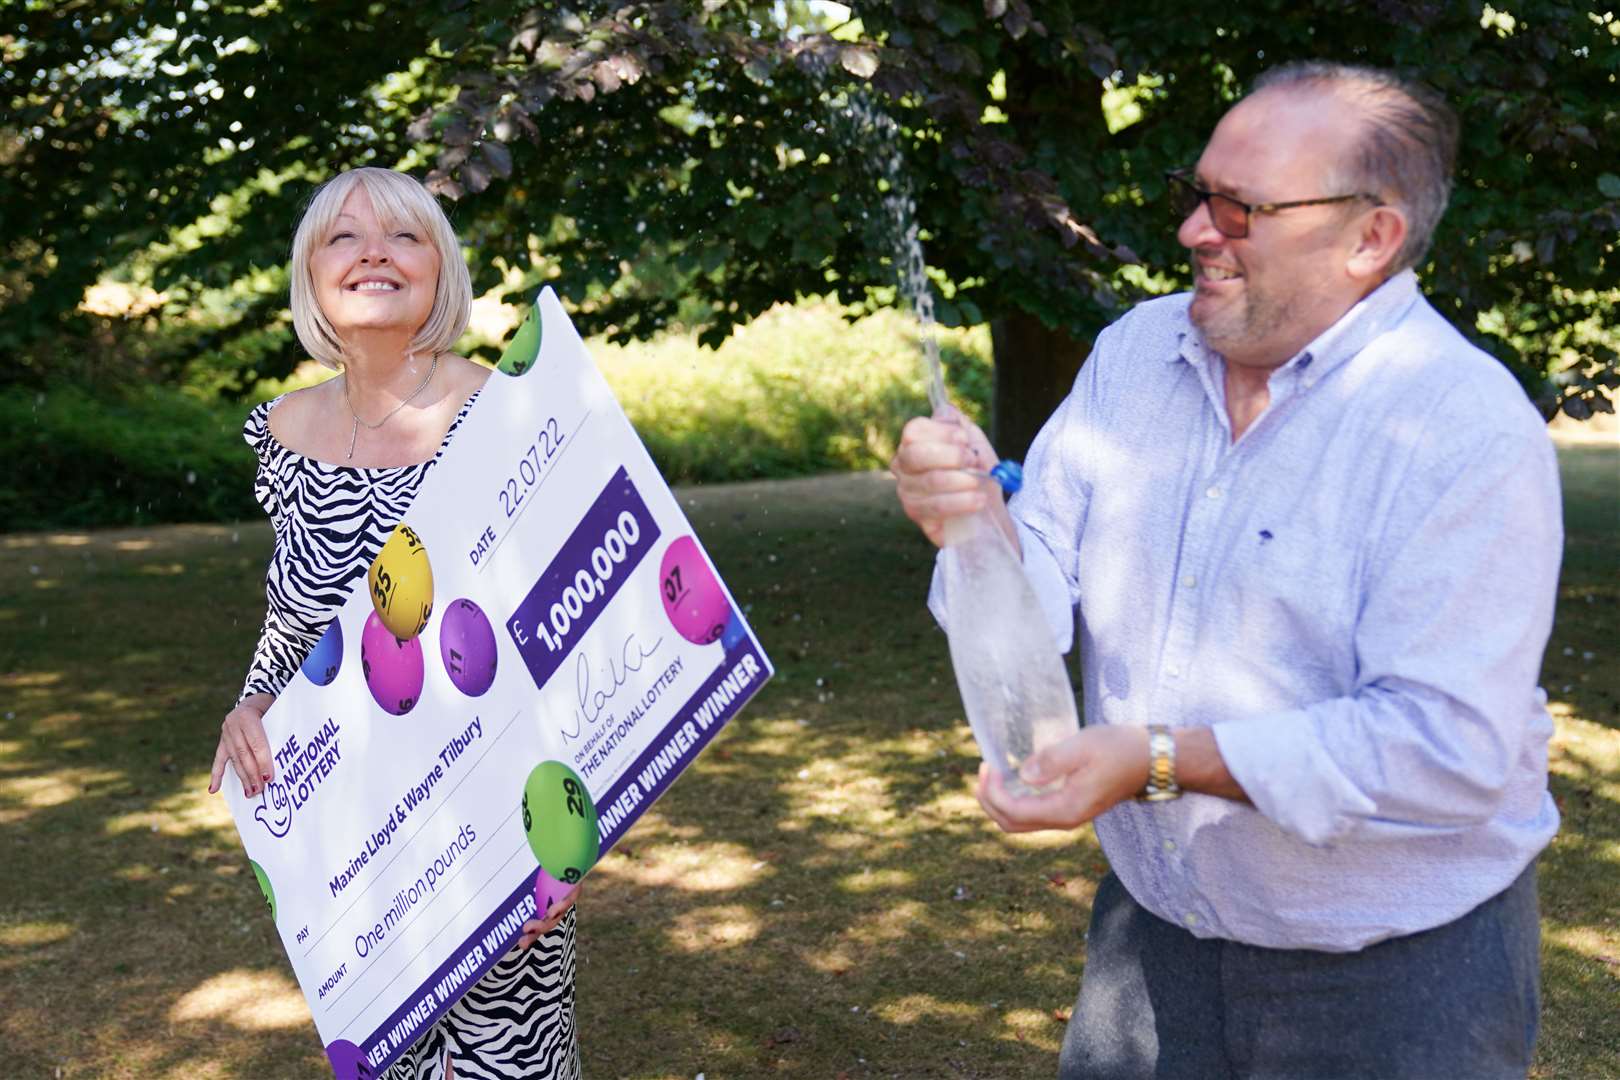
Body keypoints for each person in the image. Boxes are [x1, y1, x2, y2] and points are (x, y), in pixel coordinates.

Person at [892, 61, 1561, 1079]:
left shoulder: (1461, 428)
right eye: (1197, 195)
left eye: (1241, 209)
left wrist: (1158, 758)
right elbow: (1044, 579)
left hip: (1397, 978)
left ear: (1369, 240)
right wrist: (974, 528)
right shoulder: (1135, 353)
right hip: (1154, 933)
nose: (1197, 232)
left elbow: (1443, 748)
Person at [208, 167, 581, 1079]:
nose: (373, 252)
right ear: (312, 275)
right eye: (343, 237)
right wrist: (252, 703)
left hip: (498, 825)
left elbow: (567, 632)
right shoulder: (282, 430)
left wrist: (563, 847)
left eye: (403, 235)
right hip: (356, 841)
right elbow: (294, 621)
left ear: (438, 268)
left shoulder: (508, 413)